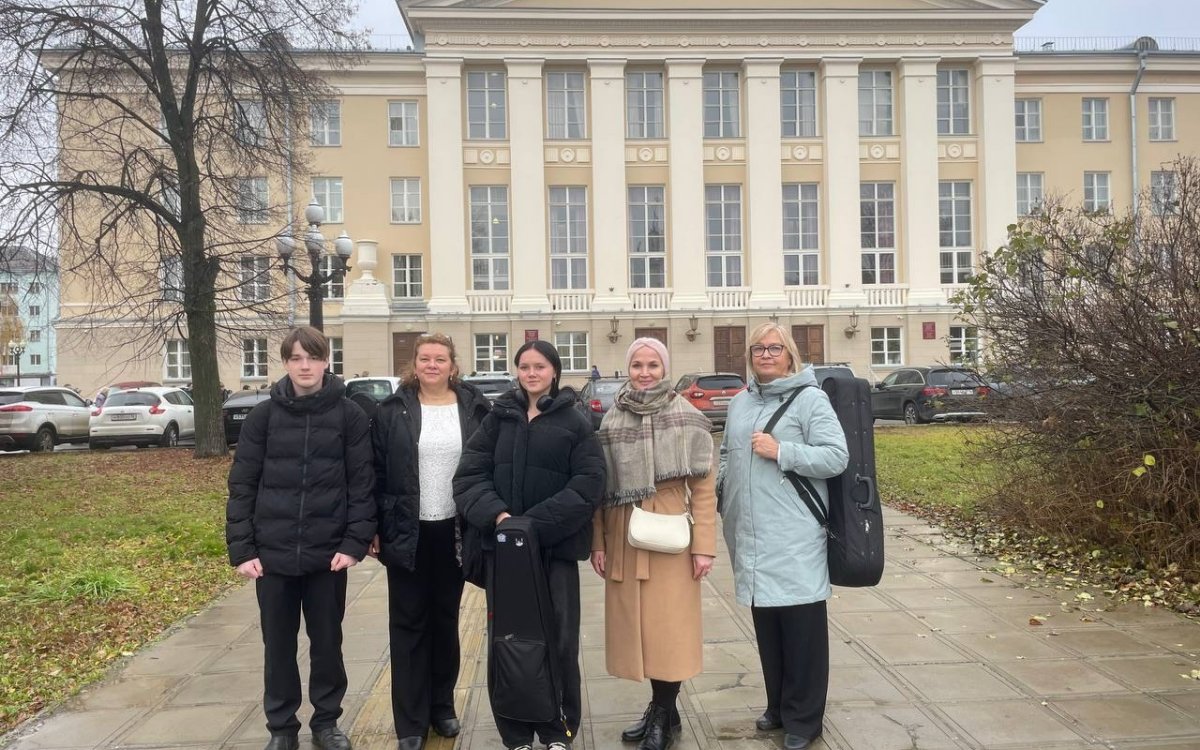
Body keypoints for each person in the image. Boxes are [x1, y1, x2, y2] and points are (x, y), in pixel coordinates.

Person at [226, 326, 376, 750]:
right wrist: (242, 549)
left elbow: (362, 484)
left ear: (326, 361)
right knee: (278, 646)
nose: (305, 366)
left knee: (327, 644)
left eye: (312, 357)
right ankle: (282, 728)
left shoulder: (349, 416)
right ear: (286, 363)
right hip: (272, 555)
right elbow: (242, 485)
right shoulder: (263, 417)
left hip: (328, 556)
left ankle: (326, 723)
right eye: (296, 358)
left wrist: (354, 544)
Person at [455, 340, 605, 750]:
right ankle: (516, 732)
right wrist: (501, 518)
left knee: (560, 641)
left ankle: (558, 729)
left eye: (540, 366)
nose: (532, 373)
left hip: (554, 553)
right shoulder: (497, 418)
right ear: (517, 371)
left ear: (554, 371)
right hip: (504, 555)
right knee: (508, 641)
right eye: (524, 366)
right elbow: (468, 477)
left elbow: (589, 483)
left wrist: (532, 527)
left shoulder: (574, 422)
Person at [717, 322, 848, 750]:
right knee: (769, 628)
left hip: (793, 535)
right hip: (750, 534)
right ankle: (778, 706)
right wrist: (722, 489)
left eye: (774, 348)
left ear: (790, 355)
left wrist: (782, 451)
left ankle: (805, 719)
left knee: (801, 631)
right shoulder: (740, 402)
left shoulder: (810, 399)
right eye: (758, 349)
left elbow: (836, 456)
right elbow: (727, 453)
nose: (766, 355)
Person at [590, 338, 717, 750]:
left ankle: (662, 713)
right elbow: (598, 488)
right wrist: (598, 541)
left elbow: (703, 489)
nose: (645, 373)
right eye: (637, 365)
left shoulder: (688, 416)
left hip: (670, 531)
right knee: (639, 631)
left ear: (664, 369)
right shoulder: (612, 418)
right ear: (628, 369)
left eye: (653, 365)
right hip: (623, 529)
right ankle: (664, 710)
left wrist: (703, 545)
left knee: (668, 630)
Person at [369, 334, 491, 750]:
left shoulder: (474, 408)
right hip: (407, 531)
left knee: (445, 621)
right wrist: (373, 526)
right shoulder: (392, 411)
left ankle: (442, 706)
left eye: (440, 359)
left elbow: (487, 465)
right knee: (408, 625)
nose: (432, 365)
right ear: (415, 364)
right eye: (425, 358)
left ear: (453, 366)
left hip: (455, 531)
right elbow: (375, 472)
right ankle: (410, 721)